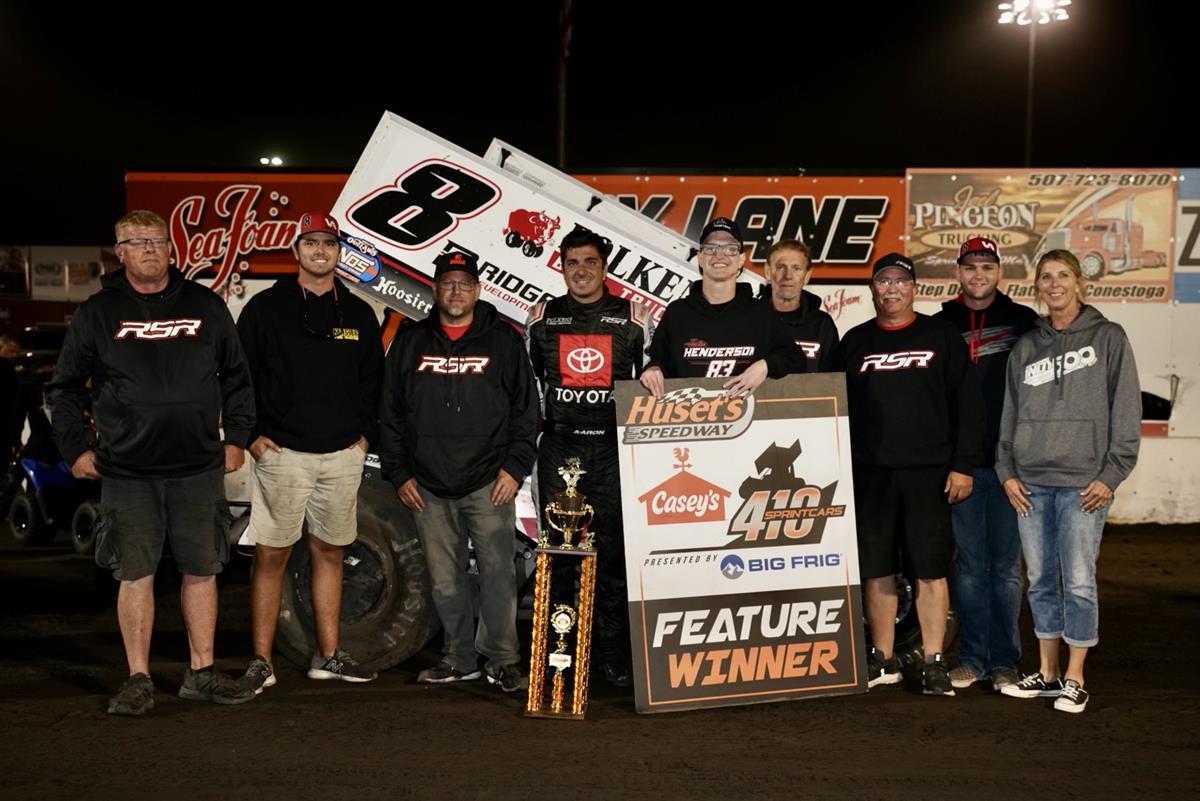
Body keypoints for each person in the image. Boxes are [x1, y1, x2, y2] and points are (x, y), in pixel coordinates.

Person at [48, 210, 257, 716]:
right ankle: (138, 678)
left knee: (202, 570)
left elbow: (238, 378)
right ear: (119, 252)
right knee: (135, 573)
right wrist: (76, 448)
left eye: (157, 240)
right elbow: (65, 388)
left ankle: (201, 673)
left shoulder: (205, 305)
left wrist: (239, 439)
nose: (148, 249)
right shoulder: (97, 313)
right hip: (128, 471)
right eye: (136, 242)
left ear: (171, 248)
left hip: (197, 466)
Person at [236, 211, 384, 692]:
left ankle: (329, 656)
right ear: (296, 250)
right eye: (311, 243)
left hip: (342, 455)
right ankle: (261, 661)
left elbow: (373, 385)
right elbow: (240, 376)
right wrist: (252, 435)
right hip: (283, 454)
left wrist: (365, 439)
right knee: (271, 555)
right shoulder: (265, 308)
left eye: (329, 243)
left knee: (330, 552)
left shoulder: (359, 312)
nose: (320, 251)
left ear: (340, 252)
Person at [379, 249, 538, 693]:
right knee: (445, 580)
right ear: (435, 289)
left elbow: (527, 411)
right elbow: (389, 413)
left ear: (477, 290)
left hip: (490, 482)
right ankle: (459, 658)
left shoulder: (502, 341)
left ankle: (503, 660)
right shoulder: (411, 341)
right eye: (447, 283)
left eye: (464, 283)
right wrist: (400, 473)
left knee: (497, 575)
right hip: (427, 486)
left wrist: (514, 467)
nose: (455, 290)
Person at [996, 249, 1141, 714]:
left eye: (1062, 275)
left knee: (1078, 581)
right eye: (1045, 277)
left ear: (1079, 283)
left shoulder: (1108, 338)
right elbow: (1009, 415)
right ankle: (1048, 672)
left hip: (1084, 485)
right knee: (1039, 580)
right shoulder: (1026, 347)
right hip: (1030, 485)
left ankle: (1075, 679)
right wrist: (1007, 472)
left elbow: (1126, 411)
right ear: (1037, 286)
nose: (1053, 284)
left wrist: (1112, 474)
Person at [834, 252, 984, 697]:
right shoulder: (854, 342)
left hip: (930, 475)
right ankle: (883, 659)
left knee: (930, 570)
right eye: (884, 281)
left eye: (901, 280)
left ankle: (935, 660)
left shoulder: (941, 336)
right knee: (877, 570)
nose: (892, 288)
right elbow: (837, 410)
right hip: (871, 474)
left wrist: (962, 465)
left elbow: (968, 405)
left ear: (914, 288)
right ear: (873, 290)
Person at [525, 227, 654, 688]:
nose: (581, 271)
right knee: (562, 556)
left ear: (605, 268)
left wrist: (655, 367)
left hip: (613, 449)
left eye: (590, 262)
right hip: (561, 450)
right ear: (562, 268)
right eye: (572, 263)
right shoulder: (541, 318)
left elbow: (654, 373)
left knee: (615, 558)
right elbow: (529, 387)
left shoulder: (635, 319)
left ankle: (611, 659)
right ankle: (560, 658)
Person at [934, 237, 1038, 691]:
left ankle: (1005, 663)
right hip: (962, 464)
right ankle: (973, 658)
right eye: (970, 266)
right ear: (958, 272)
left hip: (1011, 465)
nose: (979, 275)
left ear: (1000, 272)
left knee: (1008, 569)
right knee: (972, 568)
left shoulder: (1024, 323)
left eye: (987, 266)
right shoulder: (940, 325)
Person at [640, 217, 806, 397]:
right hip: (690, 420)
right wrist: (653, 369)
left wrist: (765, 366)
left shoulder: (760, 312)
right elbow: (658, 361)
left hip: (749, 421)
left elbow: (796, 360)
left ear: (741, 259)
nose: (720, 255)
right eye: (711, 248)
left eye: (730, 249)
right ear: (700, 258)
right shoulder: (677, 313)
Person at [759, 239, 839, 371]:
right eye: (780, 267)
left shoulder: (822, 325)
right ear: (768, 271)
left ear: (807, 275)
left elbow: (833, 382)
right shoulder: (749, 320)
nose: (788, 276)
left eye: (796, 268)